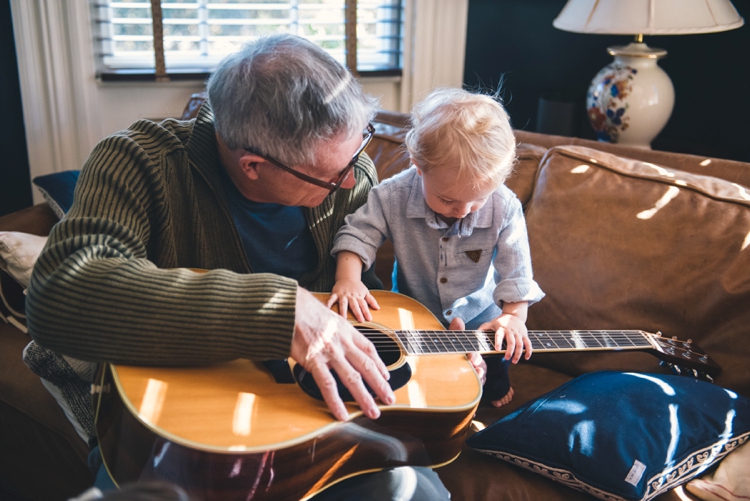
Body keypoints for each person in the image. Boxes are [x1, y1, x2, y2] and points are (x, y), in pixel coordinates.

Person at [25, 34, 450, 500]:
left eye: (357, 150)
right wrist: (283, 311)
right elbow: (62, 293)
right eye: (330, 175)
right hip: (174, 426)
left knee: (421, 493)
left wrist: (446, 357)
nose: (352, 178)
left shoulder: (352, 177)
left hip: (307, 414)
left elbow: (356, 303)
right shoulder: (140, 162)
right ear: (253, 166)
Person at [328, 87, 545, 407]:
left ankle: (496, 382)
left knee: (496, 360)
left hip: (481, 321)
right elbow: (359, 234)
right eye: (447, 199)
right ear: (418, 164)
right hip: (415, 316)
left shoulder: (504, 206)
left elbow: (516, 270)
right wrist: (349, 279)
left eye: (477, 200)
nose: (463, 210)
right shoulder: (392, 195)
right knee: (424, 381)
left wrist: (513, 316)